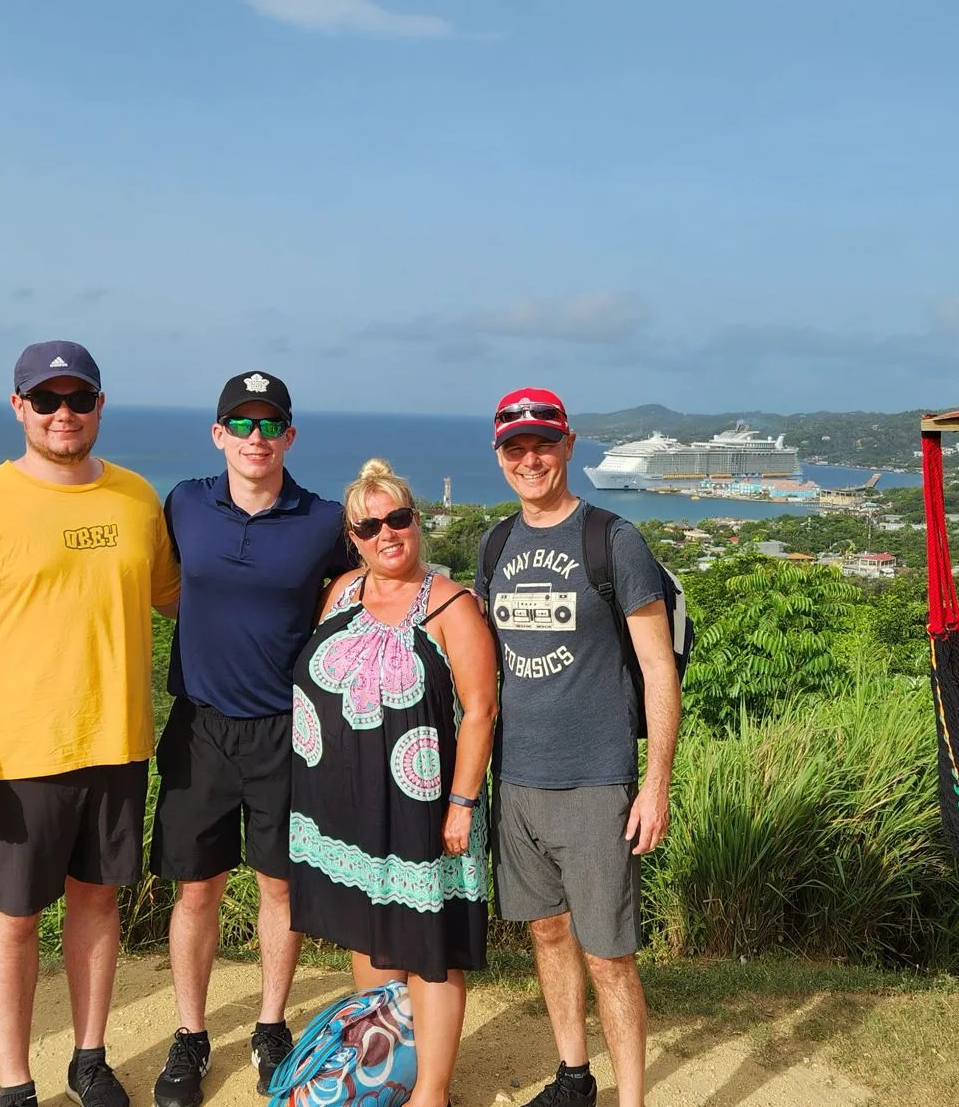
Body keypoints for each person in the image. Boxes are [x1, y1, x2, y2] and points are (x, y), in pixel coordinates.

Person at [0, 341, 180, 1107]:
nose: (64, 414)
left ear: (100, 405)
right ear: (18, 406)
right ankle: (13, 1081)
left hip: (119, 741)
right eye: (47, 399)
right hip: (17, 754)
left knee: (98, 901)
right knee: (14, 915)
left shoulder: (135, 498)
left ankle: (89, 1057)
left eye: (79, 399)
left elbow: (182, 598)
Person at [150, 370, 357, 1107]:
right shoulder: (183, 503)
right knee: (197, 887)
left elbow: (366, 586)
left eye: (270, 425)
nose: (256, 438)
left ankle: (270, 1025)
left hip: (287, 730)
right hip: (200, 723)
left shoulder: (323, 519)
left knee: (279, 883)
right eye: (241, 424)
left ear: (290, 436)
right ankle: (190, 1034)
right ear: (218, 435)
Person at [475, 388, 681, 1107]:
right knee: (549, 932)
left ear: (569, 445)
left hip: (597, 780)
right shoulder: (494, 545)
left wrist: (655, 783)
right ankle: (573, 1077)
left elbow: (658, 666)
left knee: (611, 955)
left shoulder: (613, 539)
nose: (529, 459)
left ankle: (632, 1099)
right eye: (514, 448)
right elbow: (484, 672)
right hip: (519, 778)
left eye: (542, 443)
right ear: (499, 455)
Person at [287, 459, 497, 1107]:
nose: (386, 533)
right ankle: (386, 1072)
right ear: (352, 536)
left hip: (426, 807)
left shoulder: (451, 604)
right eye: (369, 524)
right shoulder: (344, 590)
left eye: (398, 518)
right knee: (371, 939)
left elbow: (482, 708)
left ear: (417, 520)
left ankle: (430, 1092)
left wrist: (461, 803)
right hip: (348, 809)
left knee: (430, 947)